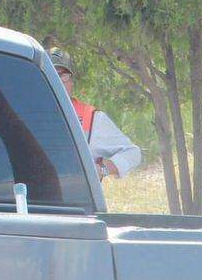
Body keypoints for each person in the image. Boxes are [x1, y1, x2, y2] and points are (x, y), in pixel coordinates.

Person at [48, 49, 141, 182]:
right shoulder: (23, 114)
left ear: (71, 81)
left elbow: (133, 154)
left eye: (63, 75)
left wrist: (102, 169)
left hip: (77, 201)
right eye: (50, 75)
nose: (58, 81)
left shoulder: (92, 118)